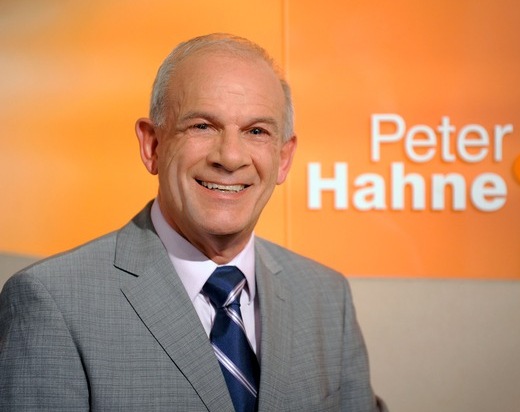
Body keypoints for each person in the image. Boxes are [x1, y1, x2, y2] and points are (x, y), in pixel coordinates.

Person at [0, 33, 386, 411]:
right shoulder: (52, 301)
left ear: (283, 159)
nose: (230, 157)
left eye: (256, 131)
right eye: (202, 126)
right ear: (152, 145)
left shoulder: (326, 296)